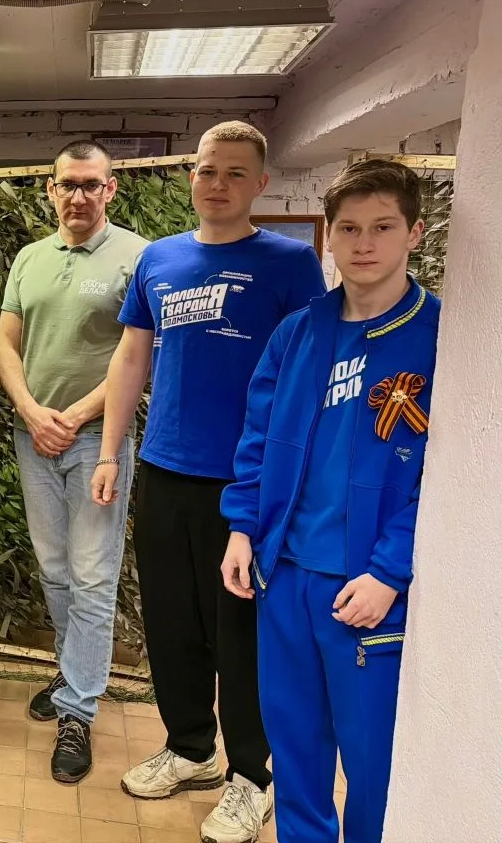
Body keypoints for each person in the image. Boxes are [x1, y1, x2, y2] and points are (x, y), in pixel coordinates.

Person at [90, 121, 327, 843]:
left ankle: (251, 778)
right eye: (206, 170)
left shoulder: (290, 263)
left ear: (260, 184)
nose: (217, 184)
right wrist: (109, 453)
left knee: (242, 639)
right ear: (191, 177)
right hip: (165, 472)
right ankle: (190, 747)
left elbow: (307, 374)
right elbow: (131, 358)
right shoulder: (159, 258)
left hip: (247, 486)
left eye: (234, 173)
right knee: (172, 624)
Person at [220, 160, 437, 843]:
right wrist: (243, 529)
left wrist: (389, 572)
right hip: (284, 577)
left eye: (383, 227)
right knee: (296, 754)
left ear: (415, 233)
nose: (364, 243)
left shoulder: (441, 337)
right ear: (330, 235)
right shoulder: (298, 332)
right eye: (348, 228)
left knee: (374, 767)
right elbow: (257, 438)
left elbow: (446, 477)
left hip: (367, 589)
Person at [0, 139, 147, 784]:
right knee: (55, 571)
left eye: (91, 184)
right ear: (51, 189)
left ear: (110, 189)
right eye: (67, 184)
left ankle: (78, 710)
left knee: (92, 575)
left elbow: (139, 354)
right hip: (34, 437)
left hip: (94, 444)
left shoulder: (137, 257)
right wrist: (31, 411)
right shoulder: (29, 258)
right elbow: (6, 341)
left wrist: (74, 417)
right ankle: (72, 672)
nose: (78, 196)